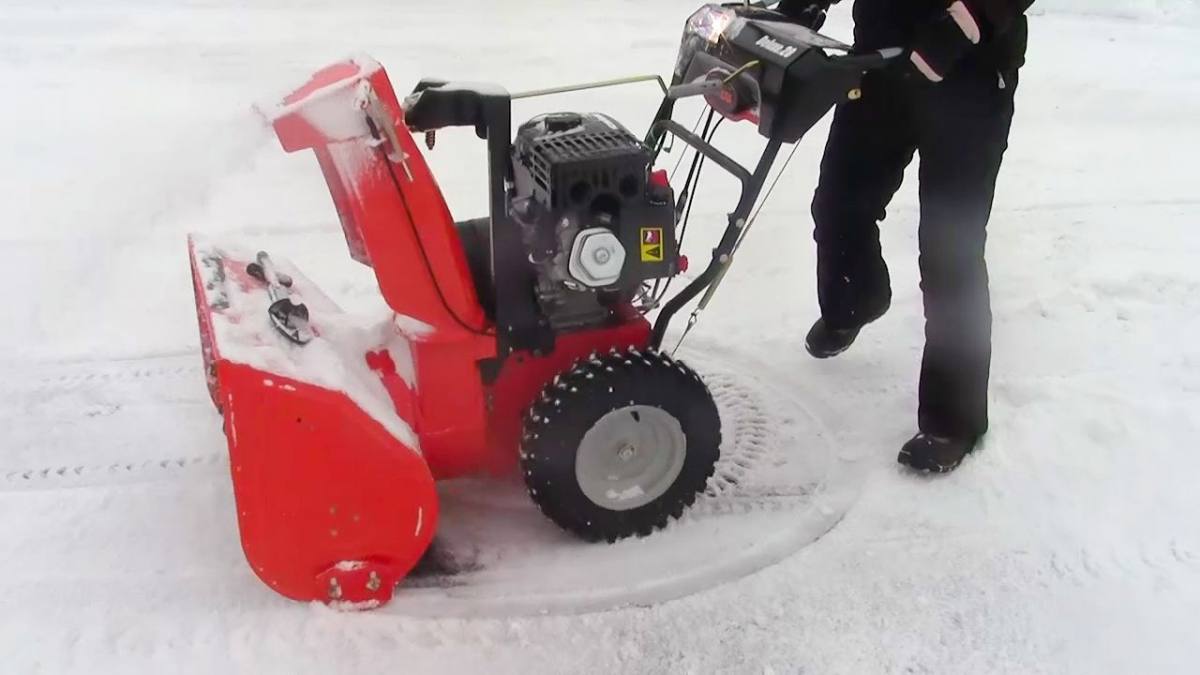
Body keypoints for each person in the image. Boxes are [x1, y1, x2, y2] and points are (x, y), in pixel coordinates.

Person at [777, 0, 1034, 473]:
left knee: (948, 252)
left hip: (969, 77)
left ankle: (952, 421)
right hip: (882, 59)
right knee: (839, 203)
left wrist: (964, 25)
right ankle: (854, 300)